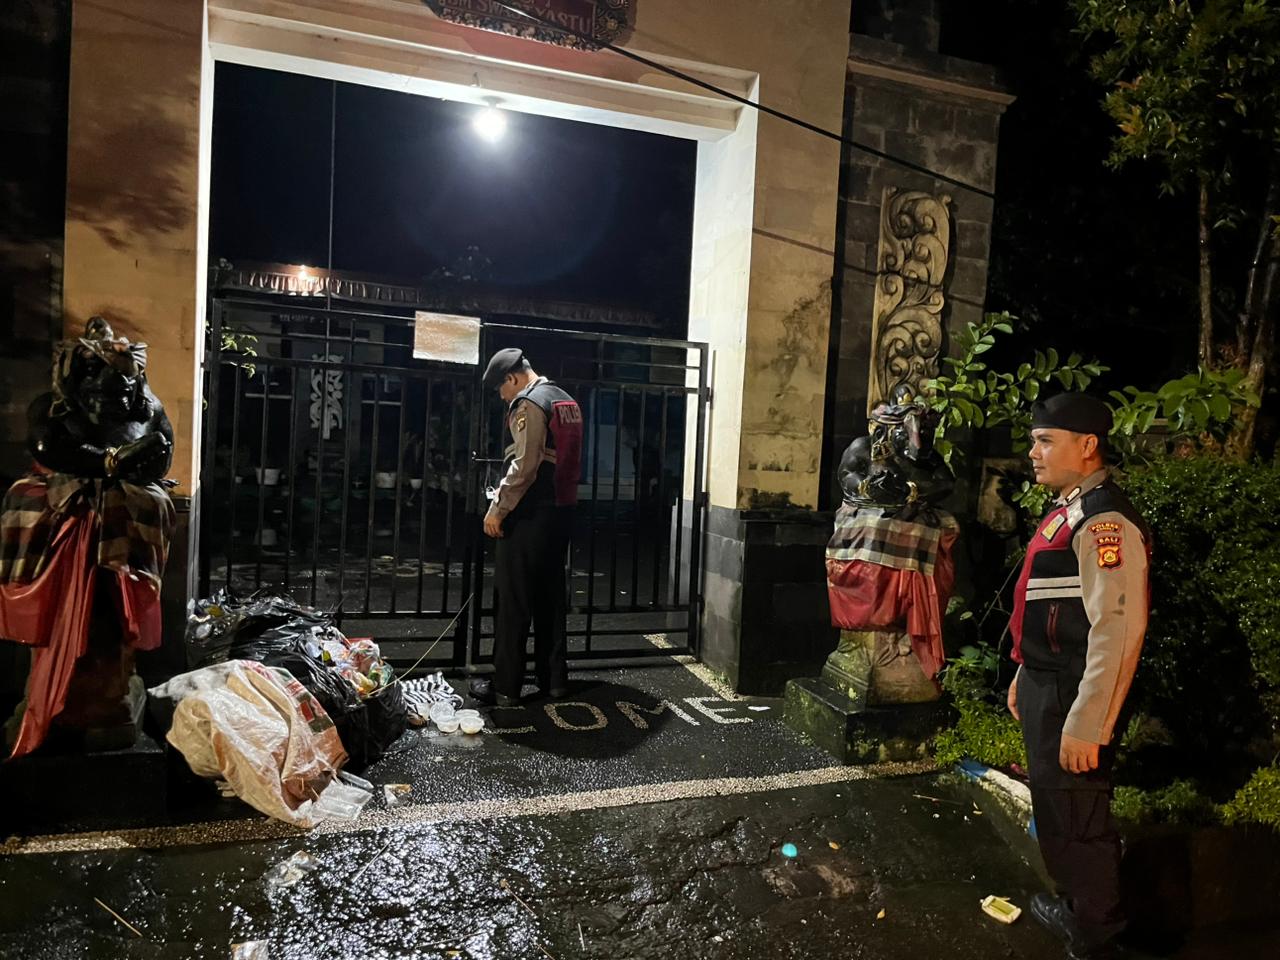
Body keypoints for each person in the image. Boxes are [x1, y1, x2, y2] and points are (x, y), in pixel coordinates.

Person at [1006, 393, 1150, 959]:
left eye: (1046, 441)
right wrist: (1024, 671)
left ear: (1088, 445)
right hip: (1049, 684)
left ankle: (1097, 934)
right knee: (1056, 809)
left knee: (1079, 819)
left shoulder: (1104, 521)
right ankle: (1076, 909)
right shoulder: (1070, 509)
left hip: (1073, 694)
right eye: (1034, 441)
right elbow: (1050, 605)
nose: (1033, 452)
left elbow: (1118, 629)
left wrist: (1090, 723)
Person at [470, 348, 582, 707]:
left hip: (530, 511)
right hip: (561, 510)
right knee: (550, 598)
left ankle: (506, 686)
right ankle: (554, 681)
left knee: (513, 601)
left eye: (501, 389)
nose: (503, 397)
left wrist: (498, 509)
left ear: (513, 377)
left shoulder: (530, 403)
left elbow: (525, 464)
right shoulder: (565, 400)